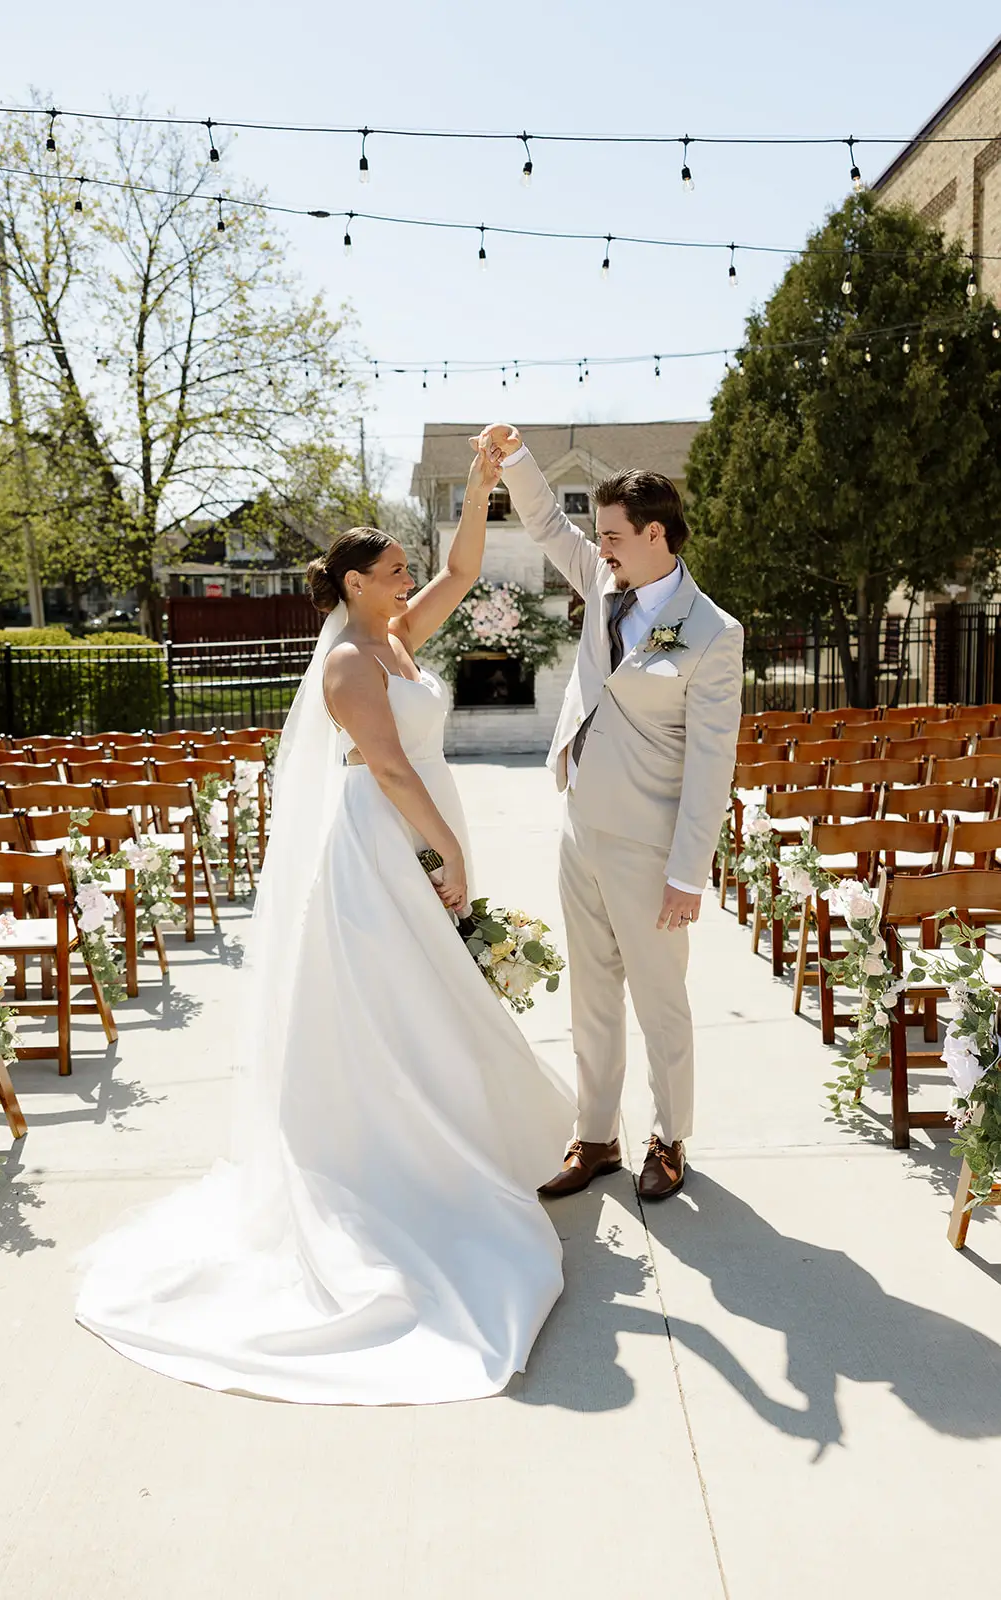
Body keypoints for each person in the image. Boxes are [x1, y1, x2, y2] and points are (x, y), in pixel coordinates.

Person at [75, 442, 574, 1406]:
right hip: (382, 845)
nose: (410, 579)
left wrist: (477, 489)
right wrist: (451, 855)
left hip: (415, 827)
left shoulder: (396, 637)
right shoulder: (350, 663)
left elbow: (465, 570)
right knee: (398, 1006)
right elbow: (387, 770)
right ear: (355, 582)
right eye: (394, 570)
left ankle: (457, 1138)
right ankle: (403, 1165)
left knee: (433, 1001)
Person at [475, 424, 743, 1203]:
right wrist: (517, 459)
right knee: (589, 993)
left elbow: (710, 765)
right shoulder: (601, 579)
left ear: (655, 533)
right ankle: (596, 1136)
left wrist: (687, 873)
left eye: (616, 535)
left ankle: (669, 1138)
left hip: (650, 844)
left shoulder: (713, 635)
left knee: (660, 1002)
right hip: (578, 828)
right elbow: (545, 526)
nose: (602, 547)